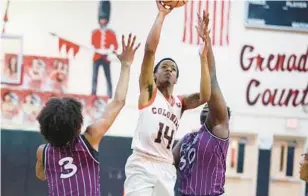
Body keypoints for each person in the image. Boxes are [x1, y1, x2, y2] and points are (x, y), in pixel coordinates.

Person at [35, 34, 140, 196]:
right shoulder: (89, 138)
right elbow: (118, 102)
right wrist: (126, 65)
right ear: (77, 125)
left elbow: (41, 175)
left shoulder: (43, 151)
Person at [124, 3, 211, 196]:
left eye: (172, 69)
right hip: (142, 163)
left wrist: (204, 56)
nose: (169, 70)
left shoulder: (180, 103)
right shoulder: (149, 92)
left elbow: (206, 96)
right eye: (164, 67)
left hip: (165, 166)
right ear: (154, 75)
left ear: (176, 79)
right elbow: (149, 51)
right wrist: (162, 14)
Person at [173, 11, 230, 196]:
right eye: (206, 106)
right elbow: (164, 165)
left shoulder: (219, 130)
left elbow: (212, 81)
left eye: (213, 108)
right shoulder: (187, 140)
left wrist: (206, 46)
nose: (208, 106)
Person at [91, 0, 118, 98]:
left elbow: (115, 45)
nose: (103, 21)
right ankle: (93, 94)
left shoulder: (111, 33)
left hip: (106, 57)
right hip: (97, 57)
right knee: (95, 77)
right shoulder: (95, 32)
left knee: (108, 77)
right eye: (101, 19)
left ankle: (110, 95)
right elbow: (93, 44)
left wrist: (110, 51)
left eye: (104, 19)